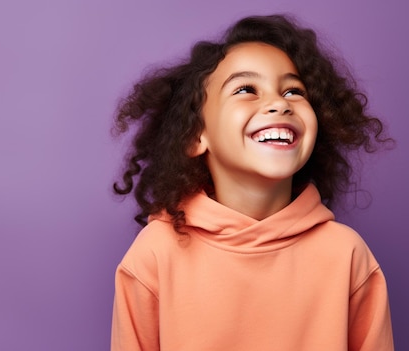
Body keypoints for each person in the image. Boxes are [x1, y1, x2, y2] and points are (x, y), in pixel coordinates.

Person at [110, 14, 394, 351]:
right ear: (196, 136)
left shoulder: (347, 255)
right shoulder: (154, 255)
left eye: (293, 91)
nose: (279, 104)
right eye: (246, 89)